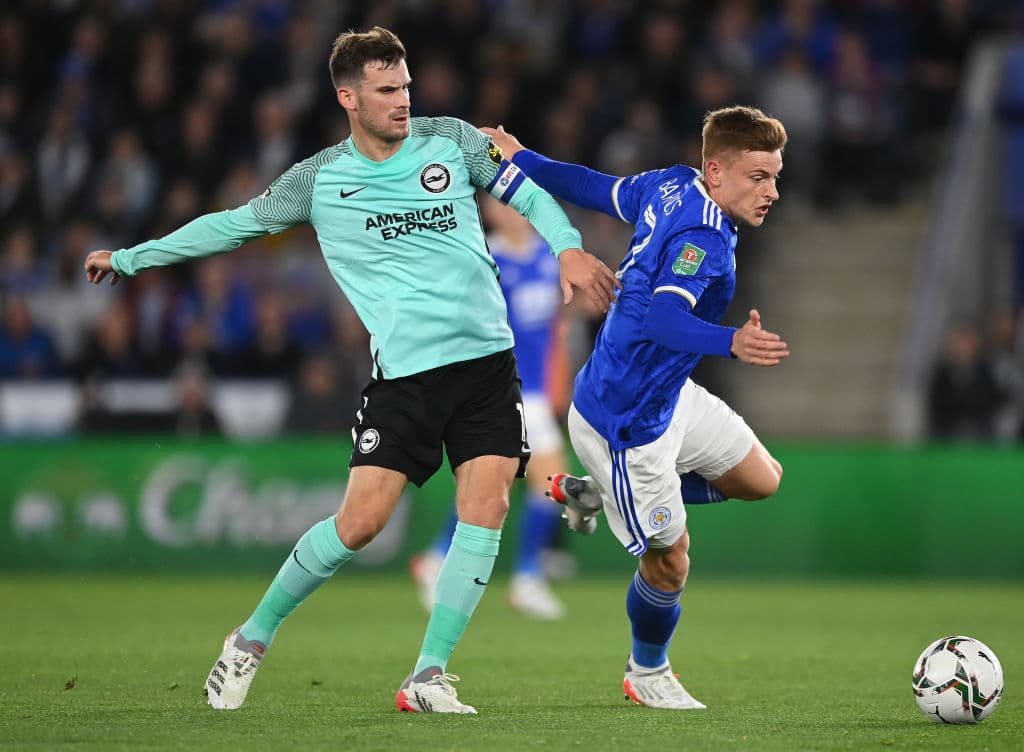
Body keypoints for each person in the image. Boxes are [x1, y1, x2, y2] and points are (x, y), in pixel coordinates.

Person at [84, 26, 618, 715]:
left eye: (406, 86)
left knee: (485, 507)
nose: (403, 100)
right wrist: (132, 258)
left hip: (488, 364)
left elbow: (531, 196)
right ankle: (249, 639)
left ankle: (428, 675)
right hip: (407, 378)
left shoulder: (453, 141)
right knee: (360, 524)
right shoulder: (318, 181)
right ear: (348, 98)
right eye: (387, 90)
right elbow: (231, 225)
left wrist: (568, 248)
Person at [482, 105, 789, 710]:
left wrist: (523, 159)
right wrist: (731, 341)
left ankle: (598, 492)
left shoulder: (670, 183)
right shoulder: (703, 238)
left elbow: (591, 186)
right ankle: (647, 671)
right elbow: (662, 319)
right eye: (758, 177)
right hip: (624, 423)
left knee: (762, 479)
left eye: (775, 177)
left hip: (666, 396)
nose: (771, 192)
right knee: (670, 563)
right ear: (716, 170)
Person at [410, 194, 572, 621]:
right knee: (548, 480)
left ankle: (439, 559)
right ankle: (526, 578)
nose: (511, 211)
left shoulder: (548, 256)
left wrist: (557, 382)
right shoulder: (485, 258)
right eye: (502, 204)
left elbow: (554, 329)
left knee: (498, 484)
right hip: (503, 388)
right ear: (490, 212)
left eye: (516, 203)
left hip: (535, 391)